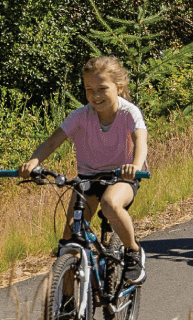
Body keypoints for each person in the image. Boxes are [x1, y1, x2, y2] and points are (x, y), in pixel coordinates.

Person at [18, 56, 151, 285]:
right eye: (89, 90)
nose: (96, 96)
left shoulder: (129, 112)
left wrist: (135, 167)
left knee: (110, 204)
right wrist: (33, 162)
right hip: (87, 179)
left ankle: (132, 253)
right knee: (70, 240)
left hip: (122, 177)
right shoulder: (81, 115)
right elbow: (52, 142)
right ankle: (67, 308)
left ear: (118, 87)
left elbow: (141, 140)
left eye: (102, 89)